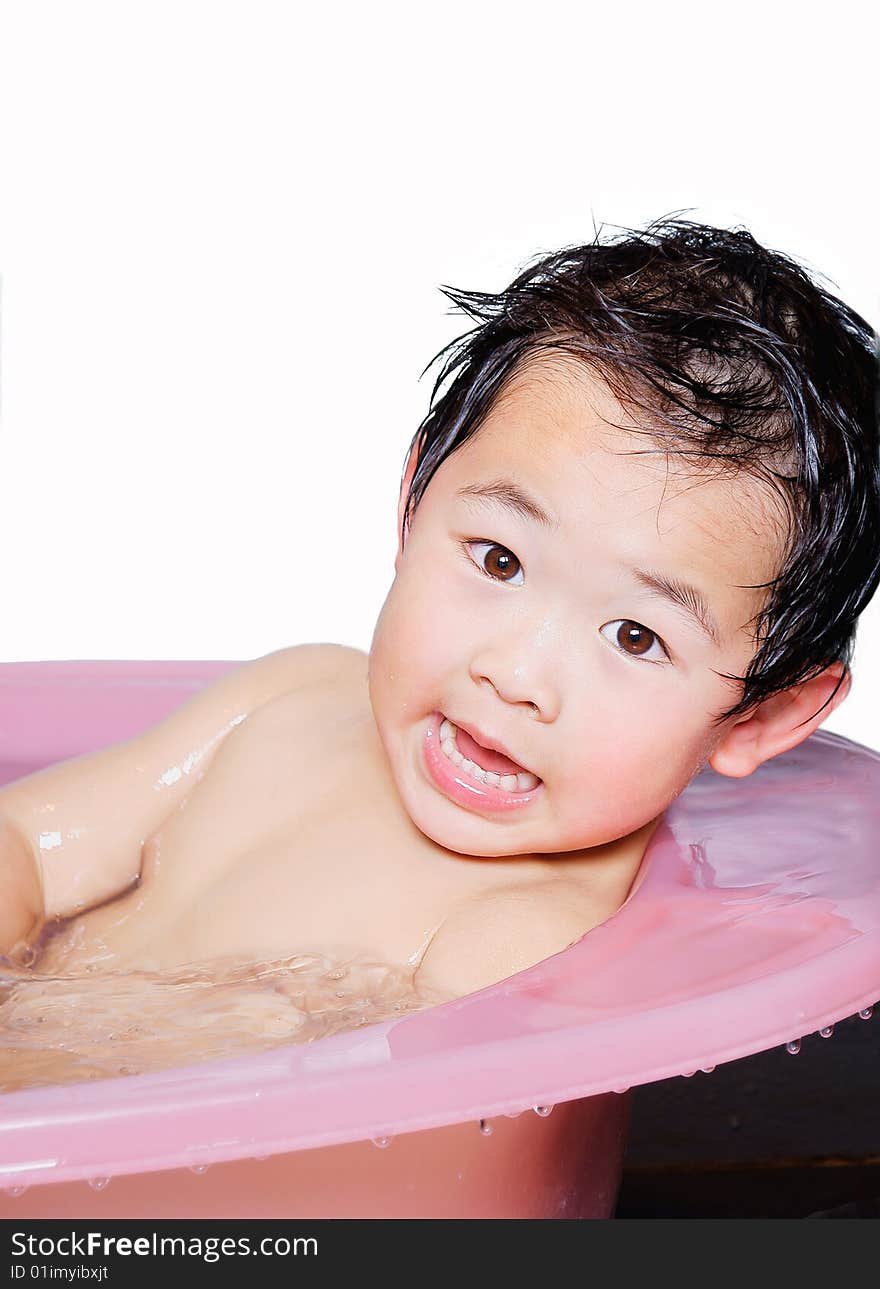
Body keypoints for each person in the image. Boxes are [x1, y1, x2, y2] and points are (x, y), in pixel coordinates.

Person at [2, 216, 878, 1022]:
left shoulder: (514, 943)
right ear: (417, 503)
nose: (517, 673)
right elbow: (30, 848)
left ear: (763, 714)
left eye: (636, 637)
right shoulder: (290, 697)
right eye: (499, 560)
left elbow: (295, 1125)